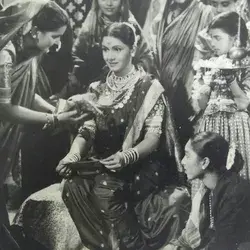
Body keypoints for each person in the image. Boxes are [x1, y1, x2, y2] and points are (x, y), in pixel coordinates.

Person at [52, 22, 188, 250]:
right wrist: (73, 155)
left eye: (117, 49)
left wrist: (127, 156)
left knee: (106, 189)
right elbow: (88, 129)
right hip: (104, 160)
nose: (110, 56)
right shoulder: (98, 88)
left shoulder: (149, 87)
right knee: (72, 185)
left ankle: (132, 246)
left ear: (132, 50)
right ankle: (102, 245)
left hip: (141, 163)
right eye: (106, 49)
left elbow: (153, 138)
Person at [0, 0, 85, 249]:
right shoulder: (5, 55)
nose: (57, 44)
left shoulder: (24, 53)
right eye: (54, 36)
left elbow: (23, 96)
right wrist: (55, 119)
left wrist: (54, 109)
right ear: (35, 31)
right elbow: (5, 108)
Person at [51, 0, 154, 100]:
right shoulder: (91, 25)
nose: (109, 4)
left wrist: (125, 69)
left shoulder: (131, 25)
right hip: (94, 82)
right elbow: (76, 54)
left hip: (125, 83)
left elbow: (147, 58)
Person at [163, 132, 250, 250]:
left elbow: (224, 244)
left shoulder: (234, 194)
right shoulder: (207, 191)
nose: (182, 161)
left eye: (187, 156)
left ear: (204, 162)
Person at [191, 12, 250, 184]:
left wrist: (229, 77)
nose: (213, 44)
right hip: (210, 125)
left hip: (235, 126)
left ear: (234, 39)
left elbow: (242, 102)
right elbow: (201, 106)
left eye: (218, 38)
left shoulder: (244, 65)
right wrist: (204, 86)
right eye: (211, 39)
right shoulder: (209, 64)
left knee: (233, 175)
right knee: (209, 175)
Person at [155, 0, 213, 147]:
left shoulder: (205, 12)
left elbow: (207, 55)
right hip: (164, 84)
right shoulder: (164, 11)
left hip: (189, 86)